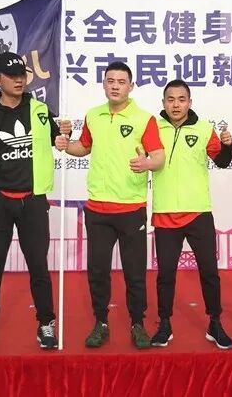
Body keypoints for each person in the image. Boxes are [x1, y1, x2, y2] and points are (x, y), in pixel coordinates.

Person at [0, 51, 69, 353]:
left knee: (38, 266)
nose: (19, 80)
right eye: (11, 76)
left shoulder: (40, 110)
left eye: (22, 75)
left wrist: (63, 137)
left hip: (32, 200)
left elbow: (58, 139)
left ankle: (46, 323)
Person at [56, 61, 165, 349]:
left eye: (121, 81)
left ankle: (137, 324)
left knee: (134, 273)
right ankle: (101, 322)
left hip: (131, 209)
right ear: (104, 84)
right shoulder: (93, 115)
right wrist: (65, 143)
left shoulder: (144, 119)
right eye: (110, 81)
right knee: (98, 271)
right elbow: (83, 147)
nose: (115, 86)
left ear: (131, 86)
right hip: (97, 209)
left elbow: (158, 156)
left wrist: (147, 163)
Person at [149, 80, 232, 349]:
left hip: (198, 212)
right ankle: (164, 324)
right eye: (170, 99)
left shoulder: (204, 129)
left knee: (209, 271)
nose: (176, 105)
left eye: (181, 99)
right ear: (163, 102)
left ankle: (215, 323)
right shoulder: (152, 128)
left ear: (190, 102)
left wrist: (228, 145)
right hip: (165, 212)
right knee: (165, 274)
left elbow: (222, 161)